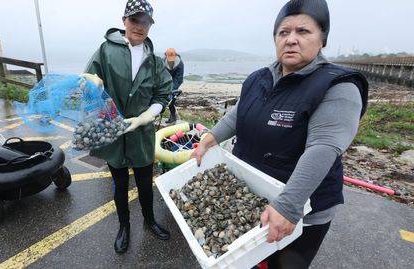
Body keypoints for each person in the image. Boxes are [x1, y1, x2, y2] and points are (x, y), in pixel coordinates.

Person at [190, 0, 368, 268]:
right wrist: (208, 140)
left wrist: (289, 205)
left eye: (303, 31)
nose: (291, 40)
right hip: (255, 194)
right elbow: (237, 116)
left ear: (323, 39)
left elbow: (323, 147)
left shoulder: (338, 86)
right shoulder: (257, 79)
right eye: (283, 32)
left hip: (303, 211)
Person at [82, 0, 172, 254]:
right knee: (120, 184)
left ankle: (150, 220)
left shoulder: (154, 60)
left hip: (142, 133)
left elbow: (163, 94)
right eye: (135, 20)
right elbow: (89, 84)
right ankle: (124, 226)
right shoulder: (105, 51)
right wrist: (92, 86)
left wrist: (146, 117)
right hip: (113, 129)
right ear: (124, 20)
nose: (139, 26)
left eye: (145, 21)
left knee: (145, 183)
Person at [163, 48, 184, 124]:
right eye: (169, 58)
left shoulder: (180, 64)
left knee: (172, 98)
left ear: (175, 55)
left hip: (176, 81)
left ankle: (173, 117)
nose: (171, 60)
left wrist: (172, 89)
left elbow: (178, 78)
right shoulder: (163, 62)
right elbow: (161, 74)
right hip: (165, 80)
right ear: (166, 56)